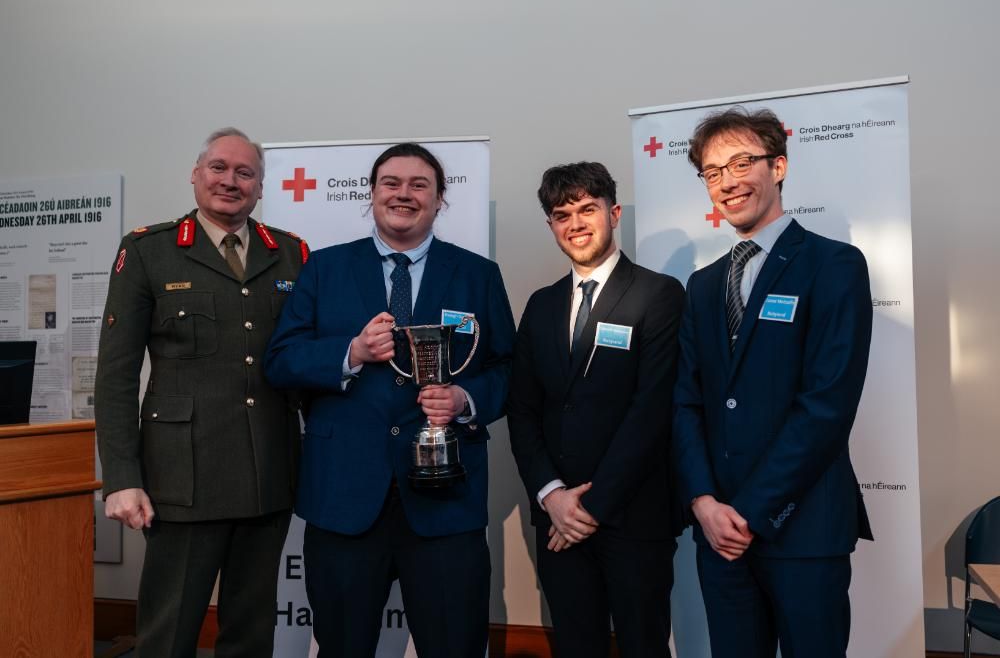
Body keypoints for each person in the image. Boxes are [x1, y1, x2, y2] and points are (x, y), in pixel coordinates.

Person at [264, 142, 515, 657]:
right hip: (345, 499)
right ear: (372, 195)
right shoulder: (324, 268)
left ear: (440, 199)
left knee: (455, 646)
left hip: (446, 501)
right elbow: (281, 360)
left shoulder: (476, 274)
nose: (404, 194)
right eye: (391, 184)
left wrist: (466, 397)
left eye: (419, 185)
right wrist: (350, 353)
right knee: (343, 647)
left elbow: (509, 369)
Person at [95, 127, 307, 657]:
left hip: (268, 474)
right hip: (182, 480)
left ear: (260, 186)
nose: (229, 181)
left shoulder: (290, 254)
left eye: (244, 173)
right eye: (218, 168)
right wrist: (121, 477)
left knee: (253, 634)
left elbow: (302, 364)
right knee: (167, 636)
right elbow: (116, 375)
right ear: (196, 174)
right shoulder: (149, 251)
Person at [673, 106, 874, 657]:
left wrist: (751, 511)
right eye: (713, 172)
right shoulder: (703, 285)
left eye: (741, 163)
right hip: (719, 537)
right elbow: (686, 403)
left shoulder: (834, 265)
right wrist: (704, 502)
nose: (728, 182)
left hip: (802, 529)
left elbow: (827, 406)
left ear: (778, 165)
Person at [507, 162, 685, 657]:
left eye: (588, 209)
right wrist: (551, 496)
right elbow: (522, 410)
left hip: (633, 517)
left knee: (643, 646)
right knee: (575, 646)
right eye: (563, 215)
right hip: (557, 519)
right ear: (551, 226)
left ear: (614, 212)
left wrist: (589, 507)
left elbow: (652, 412)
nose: (577, 223)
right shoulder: (540, 305)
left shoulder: (659, 294)